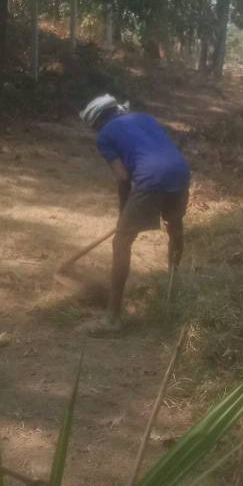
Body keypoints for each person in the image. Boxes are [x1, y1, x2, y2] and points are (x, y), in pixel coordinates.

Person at [80, 95, 191, 333]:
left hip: (151, 177)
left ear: (96, 123)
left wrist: (123, 211)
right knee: (175, 227)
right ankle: (172, 291)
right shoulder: (144, 118)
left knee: (121, 241)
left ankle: (112, 319)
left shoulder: (104, 136)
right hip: (180, 171)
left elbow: (122, 178)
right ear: (118, 110)